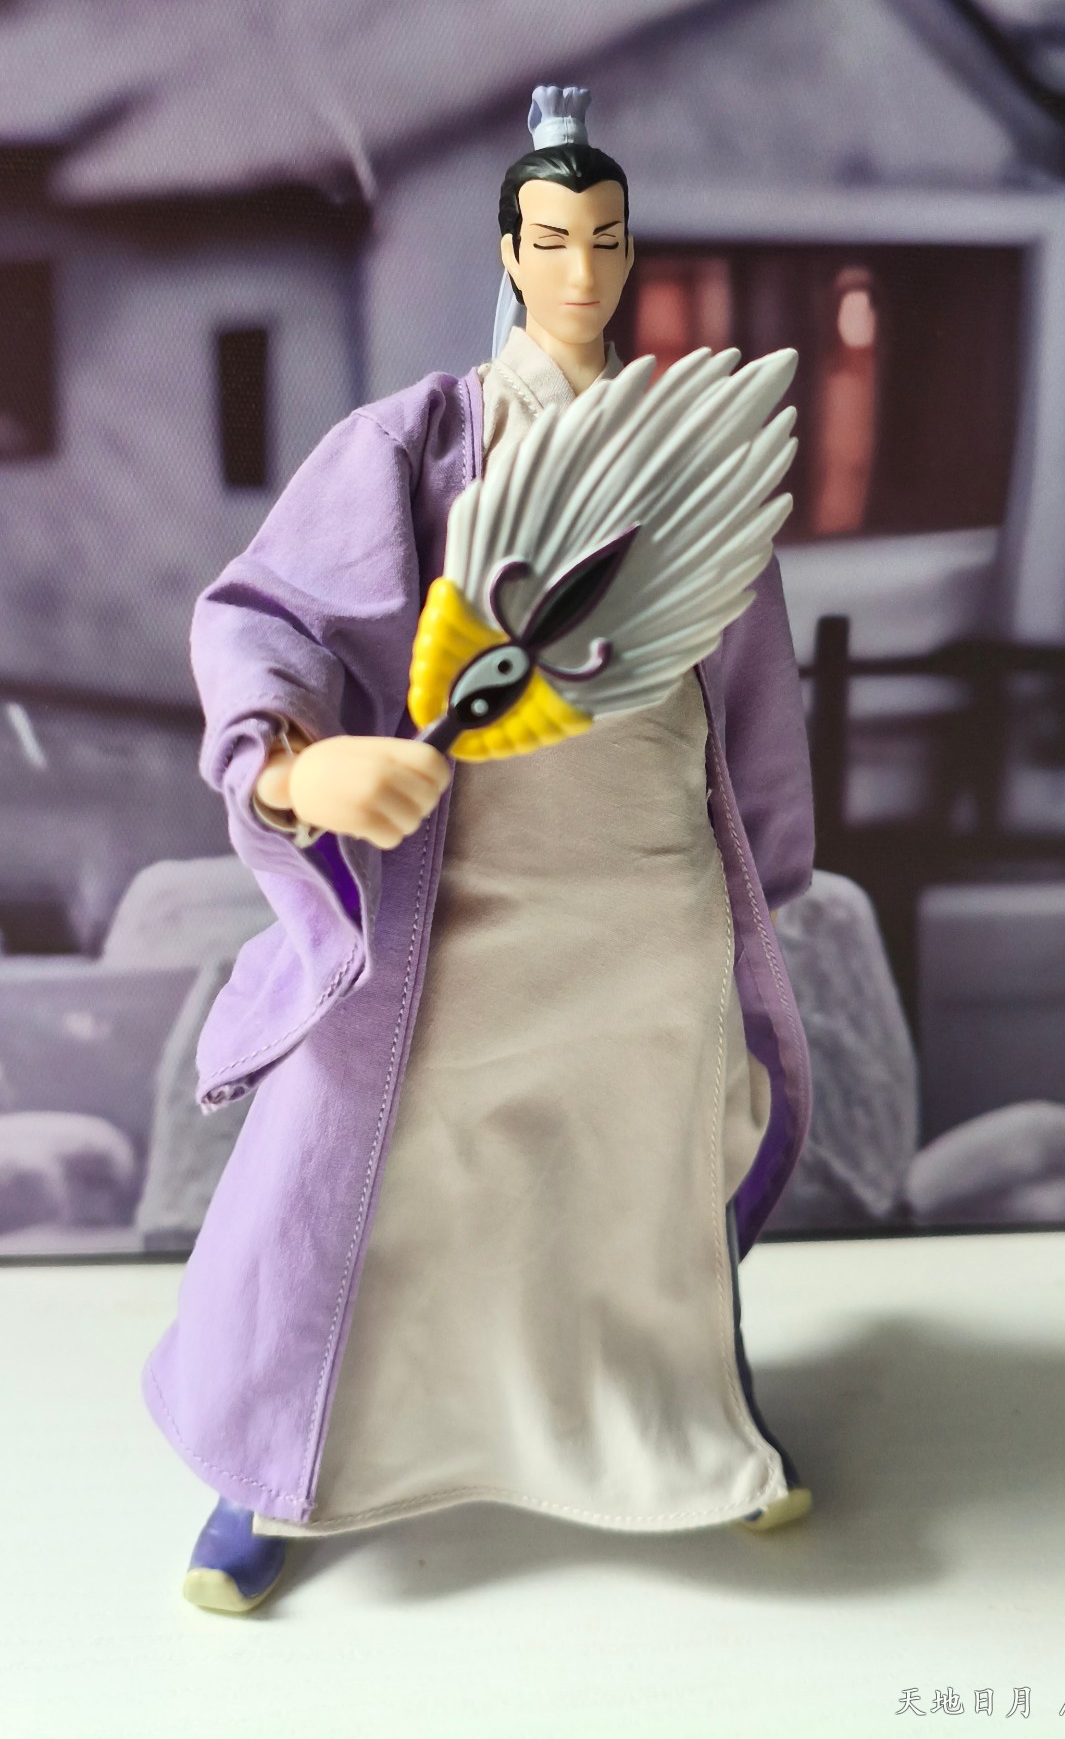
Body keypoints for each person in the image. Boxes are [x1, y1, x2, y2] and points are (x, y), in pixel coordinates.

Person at [145, 88, 815, 1614]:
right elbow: (267, 614)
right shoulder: (413, 444)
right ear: (508, 252)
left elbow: (750, 681)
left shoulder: (680, 453)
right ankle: (277, 1461)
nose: (580, 270)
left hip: (642, 886)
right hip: (453, 897)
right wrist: (299, 761)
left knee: (641, 1185)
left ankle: (686, 1424)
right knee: (355, 1177)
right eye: (552, 240)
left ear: (631, 253)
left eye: (606, 240)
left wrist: (759, 875)